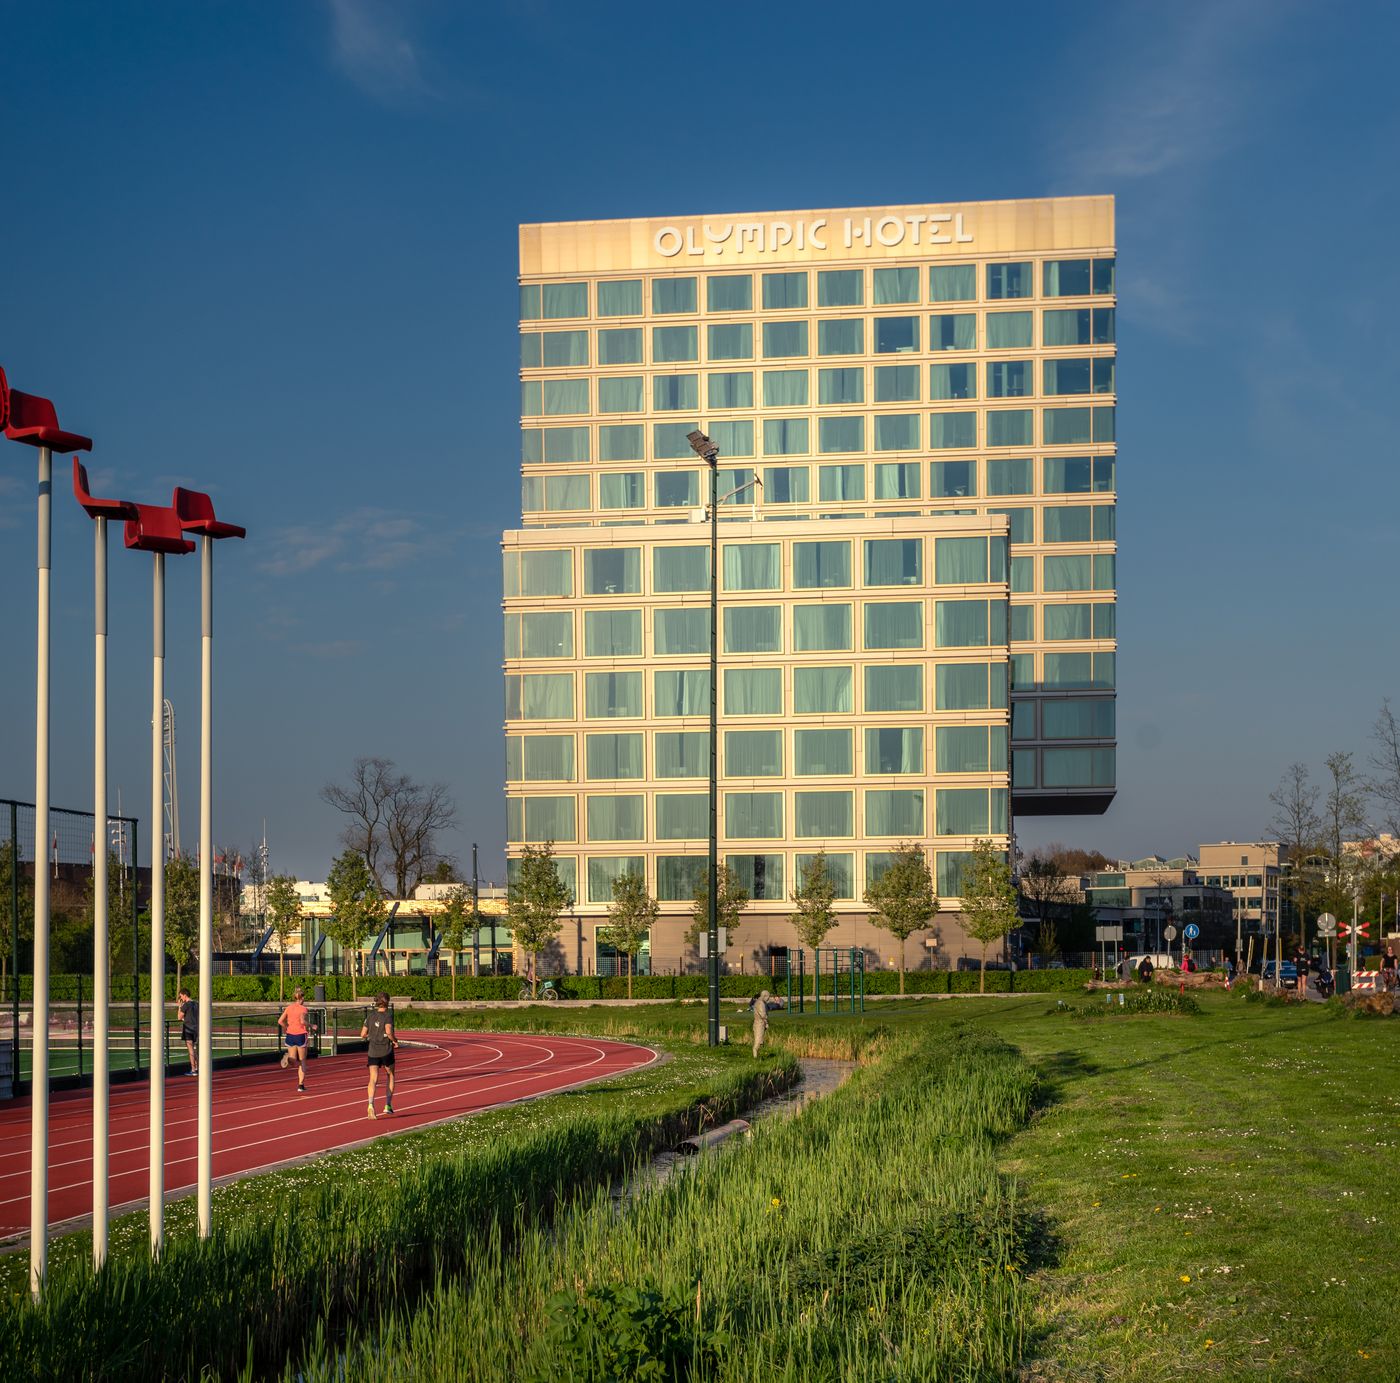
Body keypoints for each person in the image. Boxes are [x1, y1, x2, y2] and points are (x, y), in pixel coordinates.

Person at [360, 992, 398, 1119]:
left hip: (373, 1051)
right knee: (390, 1075)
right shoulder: (388, 1016)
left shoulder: (370, 1016)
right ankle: (388, 1105)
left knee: (373, 1079)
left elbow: (363, 1034)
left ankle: (370, 1104)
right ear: (387, 1002)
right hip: (386, 1050)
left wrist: (372, 1036)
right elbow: (388, 1031)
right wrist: (394, 1040)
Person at [277, 986, 311, 1094]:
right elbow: (302, 1021)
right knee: (302, 1060)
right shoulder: (303, 1009)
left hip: (290, 1034)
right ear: (302, 998)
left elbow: (280, 1021)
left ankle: (288, 1059)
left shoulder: (289, 1008)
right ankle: (301, 1085)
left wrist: (286, 1027)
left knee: (293, 1059)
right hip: (300, 1035)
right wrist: (311, 1025)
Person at [177, 987, 198, 1075]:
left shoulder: (185, 1005)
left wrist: (179, 1007)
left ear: (185, 995)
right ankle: (197, 1068)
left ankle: (193, 1070)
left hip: (188, 1029)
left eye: (181, 996)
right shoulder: (196, 1004)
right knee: (194, 1049)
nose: (181, 998)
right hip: (196, 1029)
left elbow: (179, 1017)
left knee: (191, 1050)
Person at [748, 989, 771, 1058]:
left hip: (757, 1022)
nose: (768, 999)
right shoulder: (761, 1003)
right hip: (760, 1023)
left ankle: (757, 1056)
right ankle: (755, 1057)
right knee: (758, 1041)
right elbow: (763, 1014)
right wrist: (766, 1023)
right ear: (764, 996)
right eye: (768, 997)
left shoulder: (757, 1002)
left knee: (759, 1040)